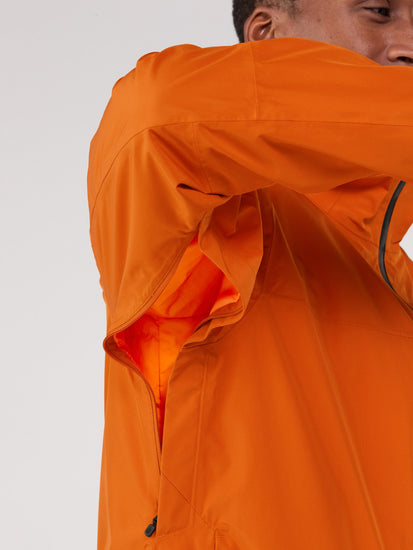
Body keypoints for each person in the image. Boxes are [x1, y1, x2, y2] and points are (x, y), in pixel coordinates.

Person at [87, 1, 413, 548]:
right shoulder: (193, 208)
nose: (409, 44)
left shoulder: (394, 283)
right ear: (266, 33)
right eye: (379, 11)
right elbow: (157, 111)